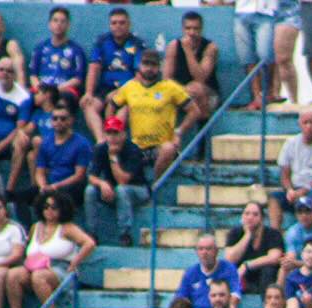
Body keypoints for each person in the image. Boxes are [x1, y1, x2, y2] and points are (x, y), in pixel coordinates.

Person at [6, 190, 93, 308]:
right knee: (13, 274)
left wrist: (75, 263)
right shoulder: (35, 227)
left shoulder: (67, 228)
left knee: (39, 276)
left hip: (60, 269)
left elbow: (89, 243)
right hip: (35, 266)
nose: (49, 211)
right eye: (46, 207)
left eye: (54, 207)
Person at [108, 49, 196, 180]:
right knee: (108, 148)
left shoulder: (170, 87)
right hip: (137, 147)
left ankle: (155, 185)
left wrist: (179, 132)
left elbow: (194, 111)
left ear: (159, 67)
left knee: (168, 148)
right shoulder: (130, 87)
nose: (149, 68)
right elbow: (111, 106)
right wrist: (113, 130)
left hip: (160, 147)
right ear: (140, 66)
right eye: (146, 64)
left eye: (153, 65)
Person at [83, 115, 148, 248]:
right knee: (90, 190)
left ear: (123, 134)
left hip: (138, 190)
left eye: (116, 133)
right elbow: (90, 176)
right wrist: (102, 183)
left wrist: (113, 156)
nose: (112, 137)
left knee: (121, 189)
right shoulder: (101, 148)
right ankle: (92, 233)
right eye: (109, 133)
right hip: (112, 189)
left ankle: (125, 234)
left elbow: (123, 180)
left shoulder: (132, 150)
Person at [81, 7, 144, 142]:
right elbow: (94, 67)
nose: (118, 26)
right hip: (104, 89)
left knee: (124, 110)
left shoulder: (136, 43)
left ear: (129, 24)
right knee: (89, 105)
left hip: (127, 91)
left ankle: (113, 142)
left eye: (122, 23)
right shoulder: (102, 42)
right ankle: (102, 142)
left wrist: (121, 92)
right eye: (114, 23)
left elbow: (140, 75)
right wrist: (89, 93)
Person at [269, 110, 312, 231]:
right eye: (305, 123)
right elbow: (285, 173)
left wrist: (306, 189)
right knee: (274, 198)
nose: (309, 126)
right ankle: (275, 236)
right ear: (299, 124)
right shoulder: (291, 143)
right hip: (295, 188)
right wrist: (289, 190)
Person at [165, 12, 221, 119]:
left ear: (201, 29)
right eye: (188, 28)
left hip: (208, 94)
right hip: (180, 91)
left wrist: (188, 51)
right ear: (183, 29)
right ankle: (176, 133)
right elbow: (166, 79)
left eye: (196, 29)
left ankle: (204, 130)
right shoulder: (173, 46)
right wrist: (181, 91)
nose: (192, 32)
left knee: (196, 88)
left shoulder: (210, 48)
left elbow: (200, 78)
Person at [28, 7, 87, 101]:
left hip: (64, 90)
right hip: (42, 89)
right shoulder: (40, 48)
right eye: (55, 20)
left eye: (63, 21)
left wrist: (55, 91)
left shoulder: (77, 50)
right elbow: (33, 75)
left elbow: (78, 79)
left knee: (66, 99)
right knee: (26, 100)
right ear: (49, 24)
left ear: (68, 25)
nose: (59, 24)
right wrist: (40, 89)